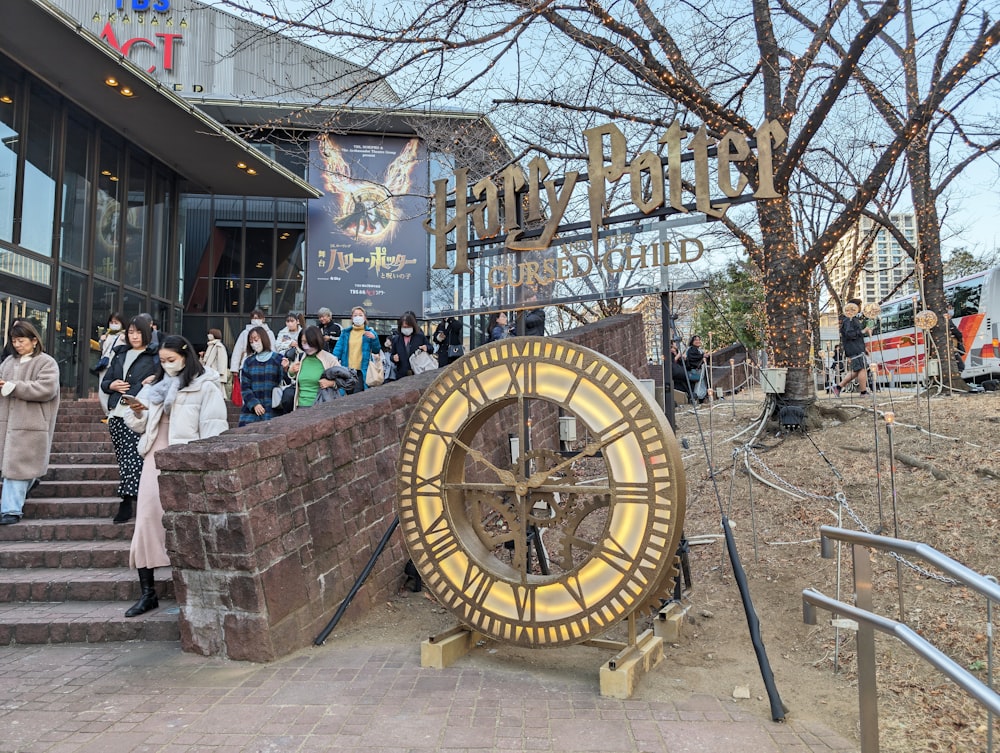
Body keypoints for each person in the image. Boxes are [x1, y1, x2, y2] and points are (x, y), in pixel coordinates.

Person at [121, 334, 227, 618]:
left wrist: (203, 464)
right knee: (145, 519)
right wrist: (136, 411)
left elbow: (214, 429)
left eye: (172, 360)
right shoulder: (156, 385)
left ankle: (198, 590)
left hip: (185, 457)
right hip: (154, 454)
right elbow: (138, 425)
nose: (167, 365)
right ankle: (148, 592)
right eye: (163, 361)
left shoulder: (205, 385)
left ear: (185, 356)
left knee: (188, 523)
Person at [0, 321, 60, 525]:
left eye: (21, 340)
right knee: (15, 468)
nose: (17, 344)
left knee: (17, 469)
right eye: (14, 340)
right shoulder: (8, 362)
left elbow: (47, 389)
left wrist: (13, 386)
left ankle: (10, 510)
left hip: (32, 424)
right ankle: (28, 485)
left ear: (34, 340)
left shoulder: (46, 362)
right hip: (7, 424)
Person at [101, 316, 159, 524]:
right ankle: (133, 495)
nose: (134, 336)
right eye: (131, 332)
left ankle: (127, 501)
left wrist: (154, 378)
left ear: (147, 333)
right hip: (115, 412)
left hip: (136, 413)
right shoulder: (119, 353)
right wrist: (112, 385)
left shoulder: (154, 356)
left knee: (132, 457)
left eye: (138, 332)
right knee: (123, 457)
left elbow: (164, 377)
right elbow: (105, 381)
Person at [237, 327, 286, 426]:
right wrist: (254, 404)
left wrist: (286, 369)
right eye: (251, 341)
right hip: (251, 412)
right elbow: (245, 387)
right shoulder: (249, 362)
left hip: (273, 408)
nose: (254, 343)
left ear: (263, 338)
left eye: (256, 339)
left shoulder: (277, 358)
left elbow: (285, 381)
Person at [288, 326, 340, 408]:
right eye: (303, 342)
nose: (306, 346)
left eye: (309, 342)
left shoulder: (330, 359)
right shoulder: (300, 357)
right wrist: (291, 371)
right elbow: (294, 378)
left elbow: (345, 380)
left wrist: (331, 383)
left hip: (322, 407)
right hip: (301, 406)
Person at [332, 306, 380, 393]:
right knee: (346, 394)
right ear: (351, 318)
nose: (358, 317)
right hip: (347, 370)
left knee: (358, 395)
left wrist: (374, 339)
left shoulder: (370, 332)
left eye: (360, 315)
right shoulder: (346, 333)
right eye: (355, 315)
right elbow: (338, 349)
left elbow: (376, 350)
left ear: (365, 318)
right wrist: (332, 361)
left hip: (362, 371)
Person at [831, 298, 872, 396]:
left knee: (857, 370)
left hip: (856, 347)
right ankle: (863, 392)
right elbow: (850, 334)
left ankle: (838, 387)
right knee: (862, 368)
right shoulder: (849, 320)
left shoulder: (851, 319)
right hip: (854, 348)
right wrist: (863, 331)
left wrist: (864, 348)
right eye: (859, 305)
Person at [95, 313, 126, 415]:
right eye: (112, 322)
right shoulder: (107, 335)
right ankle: (107, 413)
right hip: (105, 365)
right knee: (102, 390)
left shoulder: (124, 336)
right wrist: (101, 340)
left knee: (115, 388)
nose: (113, 324)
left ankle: (112, 412)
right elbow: (102, 349)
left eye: (116, 322)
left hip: (117, 366)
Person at [230, 309, 274, 376]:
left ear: (263, 319)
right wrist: (234, 368)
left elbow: (273, 349)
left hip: (265, 363)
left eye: (258, 318)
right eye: (254, 318)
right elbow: (237, 351)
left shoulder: (269, 333)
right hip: (247, 361)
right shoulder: (245, 333)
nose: (255, 320)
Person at [389, 312, 431, 379]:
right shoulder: (396, 340)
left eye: (408, 327)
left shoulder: (420, 337)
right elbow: (391, 355)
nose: (406, 329)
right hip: (402, 375)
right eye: (404, 327)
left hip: (418, 373)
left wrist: (426, 348)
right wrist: (393, 358)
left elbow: (431, 348)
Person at [199, 328, 229, 399]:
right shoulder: (210, 346)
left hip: (215, 371)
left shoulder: (219, 346)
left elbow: (222, 360)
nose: (209, 335)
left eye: (211, 334)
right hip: (209, 371)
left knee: (217, 390)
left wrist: (221, 372)